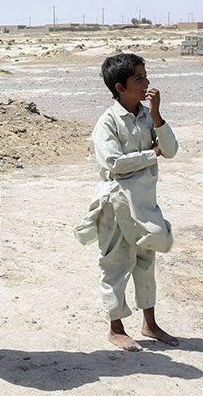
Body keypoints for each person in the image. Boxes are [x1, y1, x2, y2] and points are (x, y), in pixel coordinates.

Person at [75, 53, 178, 351]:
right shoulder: (108, 122)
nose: (147, 83)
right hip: (117, 203)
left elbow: (171, 149)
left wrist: (157, 116)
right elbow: (114, 163)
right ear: (120, 87)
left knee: (146, 262)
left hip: (144, 203)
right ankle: (115, 328)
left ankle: (150, 324)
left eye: (146, 76)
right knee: (116, 265)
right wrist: (151, 154)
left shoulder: (147, 117)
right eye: (139, 79)